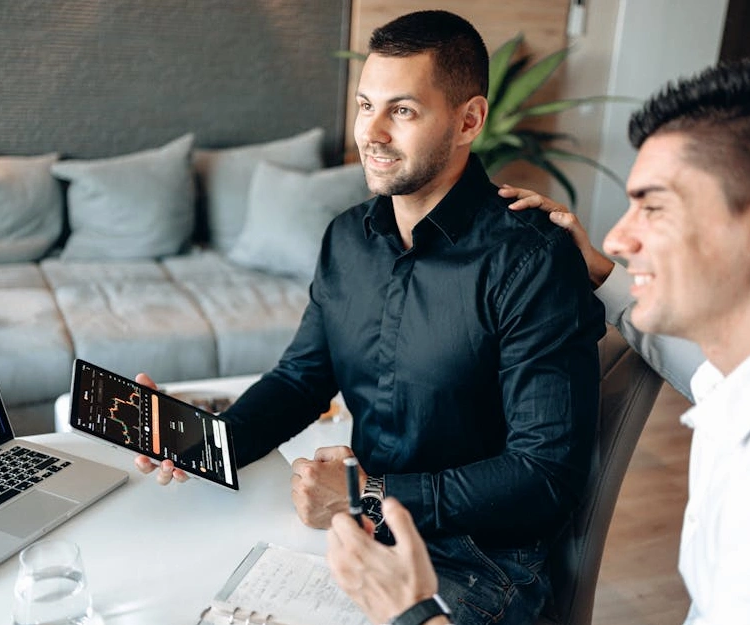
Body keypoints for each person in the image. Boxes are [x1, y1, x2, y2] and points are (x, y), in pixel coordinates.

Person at [137, 10, 605, 625]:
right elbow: (300, 379)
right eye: (365, 106)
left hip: (476, 563)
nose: (372, 133)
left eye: (402, 111)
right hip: (358, 528)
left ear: (469, 121)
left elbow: (545, 477)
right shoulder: (346, 239)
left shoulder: (533, 259)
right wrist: (205, 443)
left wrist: (369, 494)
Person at [327, 56, 750, 625]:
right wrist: (605, 275)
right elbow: (703, 375)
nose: (619, 237)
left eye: (654, 207)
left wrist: (412, 611)